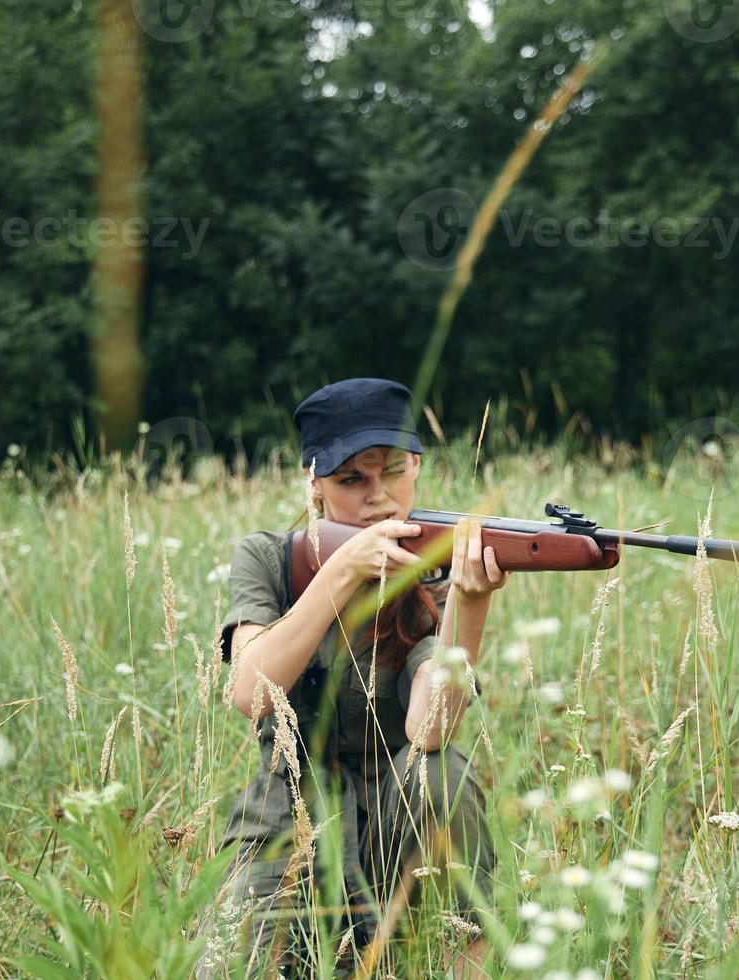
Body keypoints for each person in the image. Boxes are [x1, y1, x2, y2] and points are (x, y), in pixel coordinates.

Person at [202, 378, 507, 979]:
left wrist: (470, 606)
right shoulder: (269, 558)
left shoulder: (439, 561)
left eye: (394, 472)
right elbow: (251, 692)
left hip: (400, 814)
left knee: (442, 774)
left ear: (416, 465)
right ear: (313, 484)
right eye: (351, 480)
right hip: (287, 815)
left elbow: (430, 728)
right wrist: (338, 576)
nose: (379, 497)